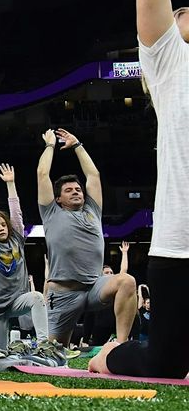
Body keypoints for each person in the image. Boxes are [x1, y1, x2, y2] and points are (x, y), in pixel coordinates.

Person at [93, 0, 189, 378]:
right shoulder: (173, 60)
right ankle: (107, 354)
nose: (181, 12)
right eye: (180, 12)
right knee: (165, 363)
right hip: (182, 240)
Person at [38, 127, 137, 348]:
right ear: (58, 198)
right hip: (64, 293)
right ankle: (57, 347)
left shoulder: (93, 209)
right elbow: (42, 174)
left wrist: (77, 145)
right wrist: (50, 145)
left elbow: (93, 175)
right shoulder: (51, 212)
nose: (76, 191)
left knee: (127, 281)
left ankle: (120, 347)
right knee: (55, 351)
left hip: (93, 287)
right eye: (69, 190)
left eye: (78, 189)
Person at [0, 166, 59, 357]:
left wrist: (11, 184)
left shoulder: (16, 238)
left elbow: (16, 213)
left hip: (17, 300)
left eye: (3, 224)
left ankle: (43, 345)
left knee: (37, 298)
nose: (1, 228)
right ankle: (12, 349)